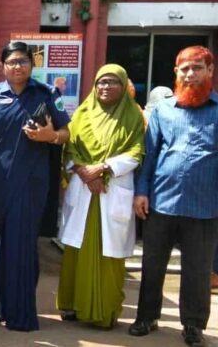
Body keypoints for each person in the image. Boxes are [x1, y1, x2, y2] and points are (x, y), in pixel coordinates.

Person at [0, 41, 70, 331]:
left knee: (21, 243)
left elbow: (66, 132)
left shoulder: (46, 94)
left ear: (32, 64)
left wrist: (50, 136)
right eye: (12, 62)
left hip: (30, 182)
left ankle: (19, 312)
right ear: (2, 66)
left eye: (23, 61)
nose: (17, 66)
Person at [129, 46, 218, 347]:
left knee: (198, 270)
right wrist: (142, 191)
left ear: (210, 71)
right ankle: (146, 317)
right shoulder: (163, 110)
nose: (191, 74)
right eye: (185, 69)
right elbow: (150, 154)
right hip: (161, 202)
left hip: (205, 205)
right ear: (176, 73)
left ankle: (193, 326)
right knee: (152, 264)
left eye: (197, 68)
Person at [56, 64, 145, 329]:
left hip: (112, 189)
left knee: (110, 255)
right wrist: (85, 172)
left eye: (112, 82)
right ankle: (72, 305)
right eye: (101, 82)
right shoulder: (82, 114)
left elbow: (137, 152)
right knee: (76, 249)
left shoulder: (133, 117)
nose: (105, 87)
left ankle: (104, 312)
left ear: (124, 85)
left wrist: (104, 168)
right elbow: (69, 148)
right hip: (84, 188)